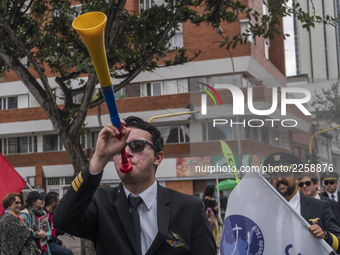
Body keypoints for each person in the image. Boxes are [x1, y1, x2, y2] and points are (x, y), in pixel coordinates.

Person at [54, 116, 216, 255]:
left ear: (158, 157)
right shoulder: (100, 202)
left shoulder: (190, 208)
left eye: (137, 146)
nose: (126, 153)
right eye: (118, 149)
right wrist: (99, 157)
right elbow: (63, 221)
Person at [264, 152, 340, 253]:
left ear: (296, 179)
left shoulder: (320, 206)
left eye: (285, 174)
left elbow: (338, 242)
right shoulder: (265, 211)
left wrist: (325, 236)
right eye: (275, 176)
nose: (280, 179)